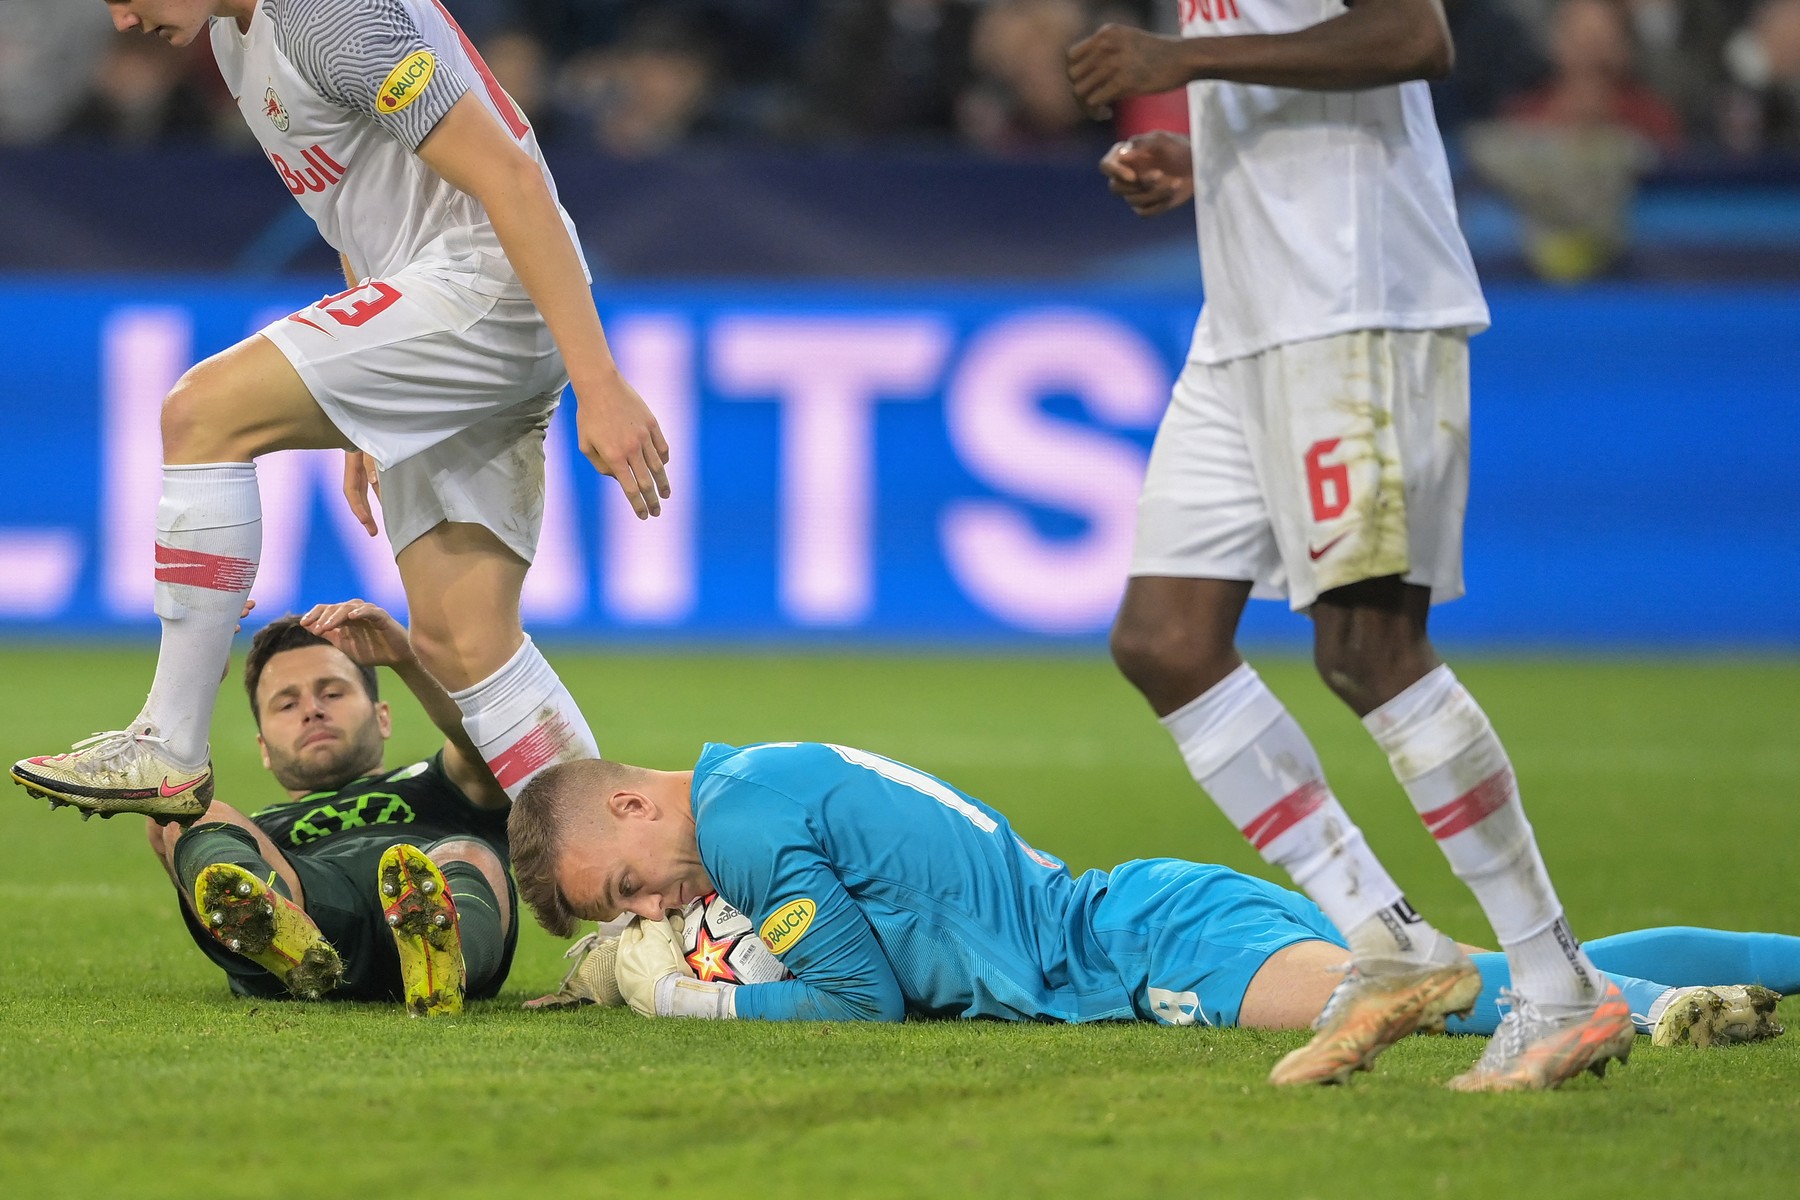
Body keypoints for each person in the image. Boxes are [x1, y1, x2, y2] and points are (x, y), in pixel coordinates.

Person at [1062, 0, 1626, 1089]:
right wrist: (1213, 152)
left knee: (1367, 647)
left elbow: (1413, 36)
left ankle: (1559, 980)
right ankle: (1390, 939)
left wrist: (1180, 61)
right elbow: (1305, 64)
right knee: (1165, 641)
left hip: (1356, 301)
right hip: (1246, 317)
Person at [12, 0, 668, 828]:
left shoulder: (326, 14)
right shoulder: (231, 34)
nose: (119, 17)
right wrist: (373, 388)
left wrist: (599, 380)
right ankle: (642, 897)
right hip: (444, 301)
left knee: (202, 412)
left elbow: (511, 175)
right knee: (463, 643)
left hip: (486, 291)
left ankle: (169, 742)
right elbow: (357, 200)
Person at [506, 744, 1789, 1063]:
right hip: (1130, 912)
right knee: (1498, 962)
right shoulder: (755, 780)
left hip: (1130, 949)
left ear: (630, 808)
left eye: (627, 886)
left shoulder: (737, 828)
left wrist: (674, 992)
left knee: (1418, 997)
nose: (652, 900)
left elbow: (857, 1004)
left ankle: (1682, 1008)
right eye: (625, 912)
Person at [124, 599, 517, 1015]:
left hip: (430, 888)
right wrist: (196, 680)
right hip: (312, 907)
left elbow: (488, 747)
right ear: (265, 749)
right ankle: (284, 938)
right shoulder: (255, 831)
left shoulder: (440, 779)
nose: (312, 710)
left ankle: (444, 960)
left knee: (465, 855)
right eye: (287, 704)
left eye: (332, 692)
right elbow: (167, 792)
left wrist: (406, 658)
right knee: (186, 812)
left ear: (382, 717)